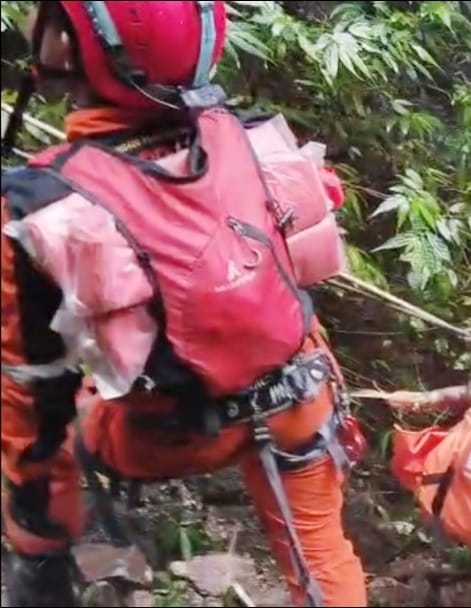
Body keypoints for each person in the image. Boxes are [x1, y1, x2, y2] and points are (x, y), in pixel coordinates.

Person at [1, 2, 367, 606]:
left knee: (73, 422)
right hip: (301, 394)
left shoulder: (38, 205)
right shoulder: (248, 136)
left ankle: (110, 555)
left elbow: (31, 399)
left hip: (171, 432)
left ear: (74, 47)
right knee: (322, 557)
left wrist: (39, 546)